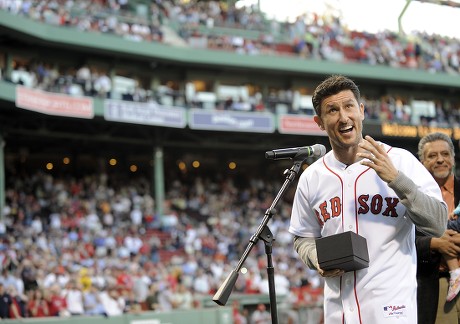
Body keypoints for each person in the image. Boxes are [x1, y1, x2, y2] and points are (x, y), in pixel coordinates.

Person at [289, 74, 447, 324]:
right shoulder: (313, 176)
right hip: (338, 312)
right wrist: (315, 257)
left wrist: (396, 178)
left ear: (361, 110)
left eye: (349, 106)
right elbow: (303, 237)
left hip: (392, 311)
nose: (343, 117)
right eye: (332, 110)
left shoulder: (400, 160)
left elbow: (438, 223)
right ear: (319, 122)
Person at [416, 132, 460, 323]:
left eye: (445, 154)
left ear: (453, 157)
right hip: (435, 286)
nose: (440, 160)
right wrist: (434, 243)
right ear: (422, 161)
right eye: (432, 156)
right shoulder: (411, 196)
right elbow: (399, 240)